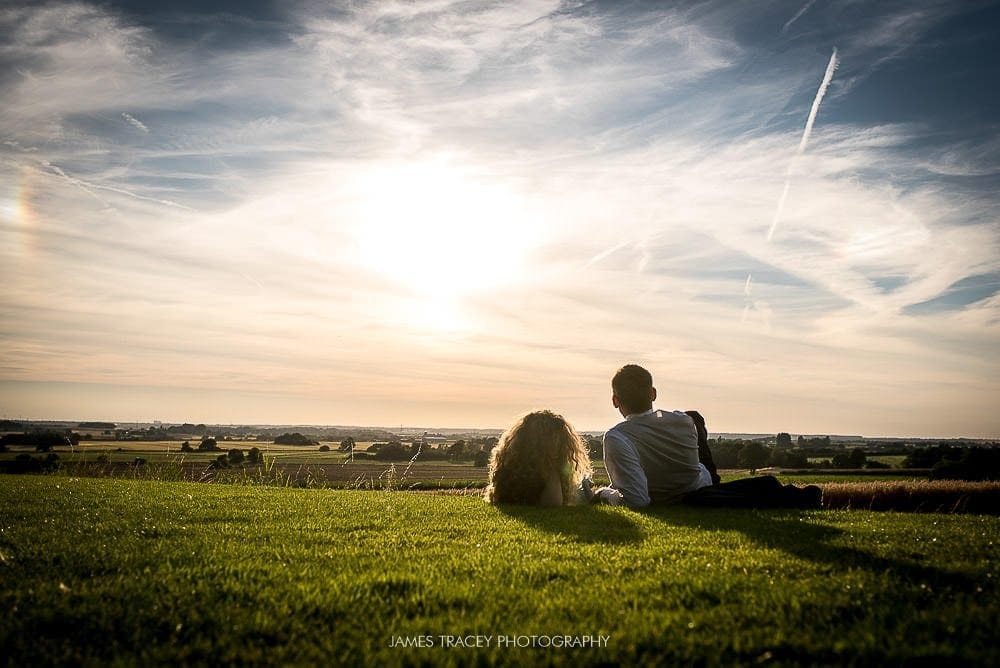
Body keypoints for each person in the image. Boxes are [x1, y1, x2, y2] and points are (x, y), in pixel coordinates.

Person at [595, 364, 822, 509]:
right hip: (699, 484)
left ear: (615, 400)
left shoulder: (617, 437)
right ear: (653, 393)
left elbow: (636, 500)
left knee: (694, 420)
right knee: (694, 417)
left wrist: (603, 493)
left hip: (689, 491)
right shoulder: (684, 421)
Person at [484, 410, 593, 506]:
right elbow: (554, 502)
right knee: (587, 489)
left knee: (585, 485)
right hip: (578, 494)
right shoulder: (549, 473)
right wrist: (552, 462)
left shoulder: (510, 464)